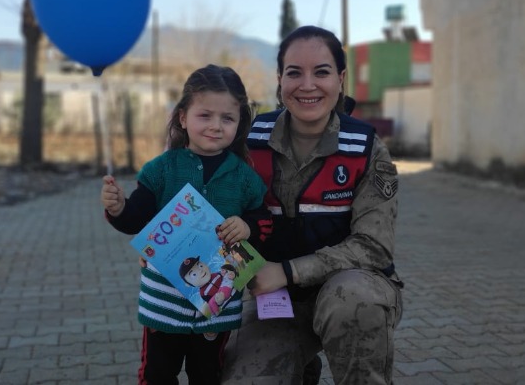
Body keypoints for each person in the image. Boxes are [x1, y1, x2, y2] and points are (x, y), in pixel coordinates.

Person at [222, 25, 404, 384]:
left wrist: (288, 270)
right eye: (294, 73)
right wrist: (168, 247)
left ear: (340, 78)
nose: (307, 85)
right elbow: (212, 206)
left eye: (321, 72)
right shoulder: (248, 142)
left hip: (352, 292)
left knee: (352, 300)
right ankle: (302, 368)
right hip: (276, 300)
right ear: (279, 80)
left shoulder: (365, 148)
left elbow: (374, 247)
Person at [101, 64, 269, 385]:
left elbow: (264, 225)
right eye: (204, 115)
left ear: (240, 123)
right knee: (157, 375)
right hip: (163, 305)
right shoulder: (161, 170)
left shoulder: (246, 179)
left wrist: (247, 227)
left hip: (217, 308)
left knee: (207, 375)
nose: (216, 126)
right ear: (182, 117)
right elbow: (136, 218)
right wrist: (118, 208)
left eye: (227, 118)